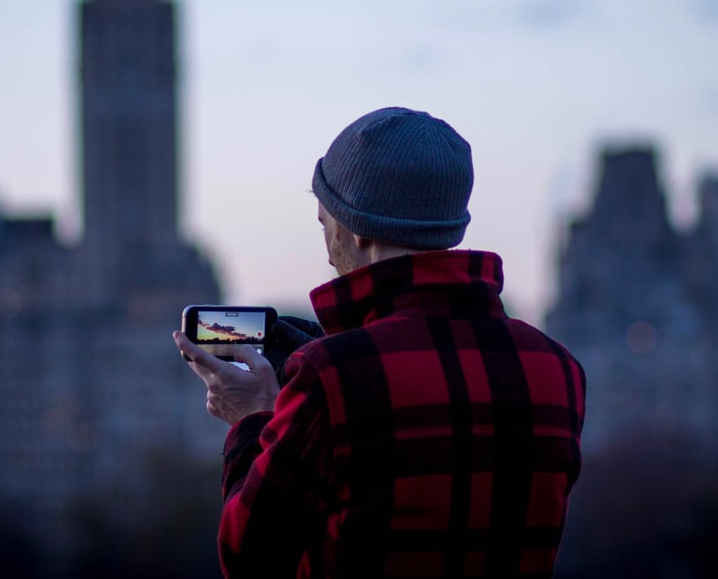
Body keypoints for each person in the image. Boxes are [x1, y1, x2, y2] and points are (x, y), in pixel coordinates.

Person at [173, 106, 586, 578]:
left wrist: (252, 418)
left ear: (355, 229)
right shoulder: (559, 370)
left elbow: (249, 558)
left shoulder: (331, 377)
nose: (327, 250)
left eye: (323, 222)